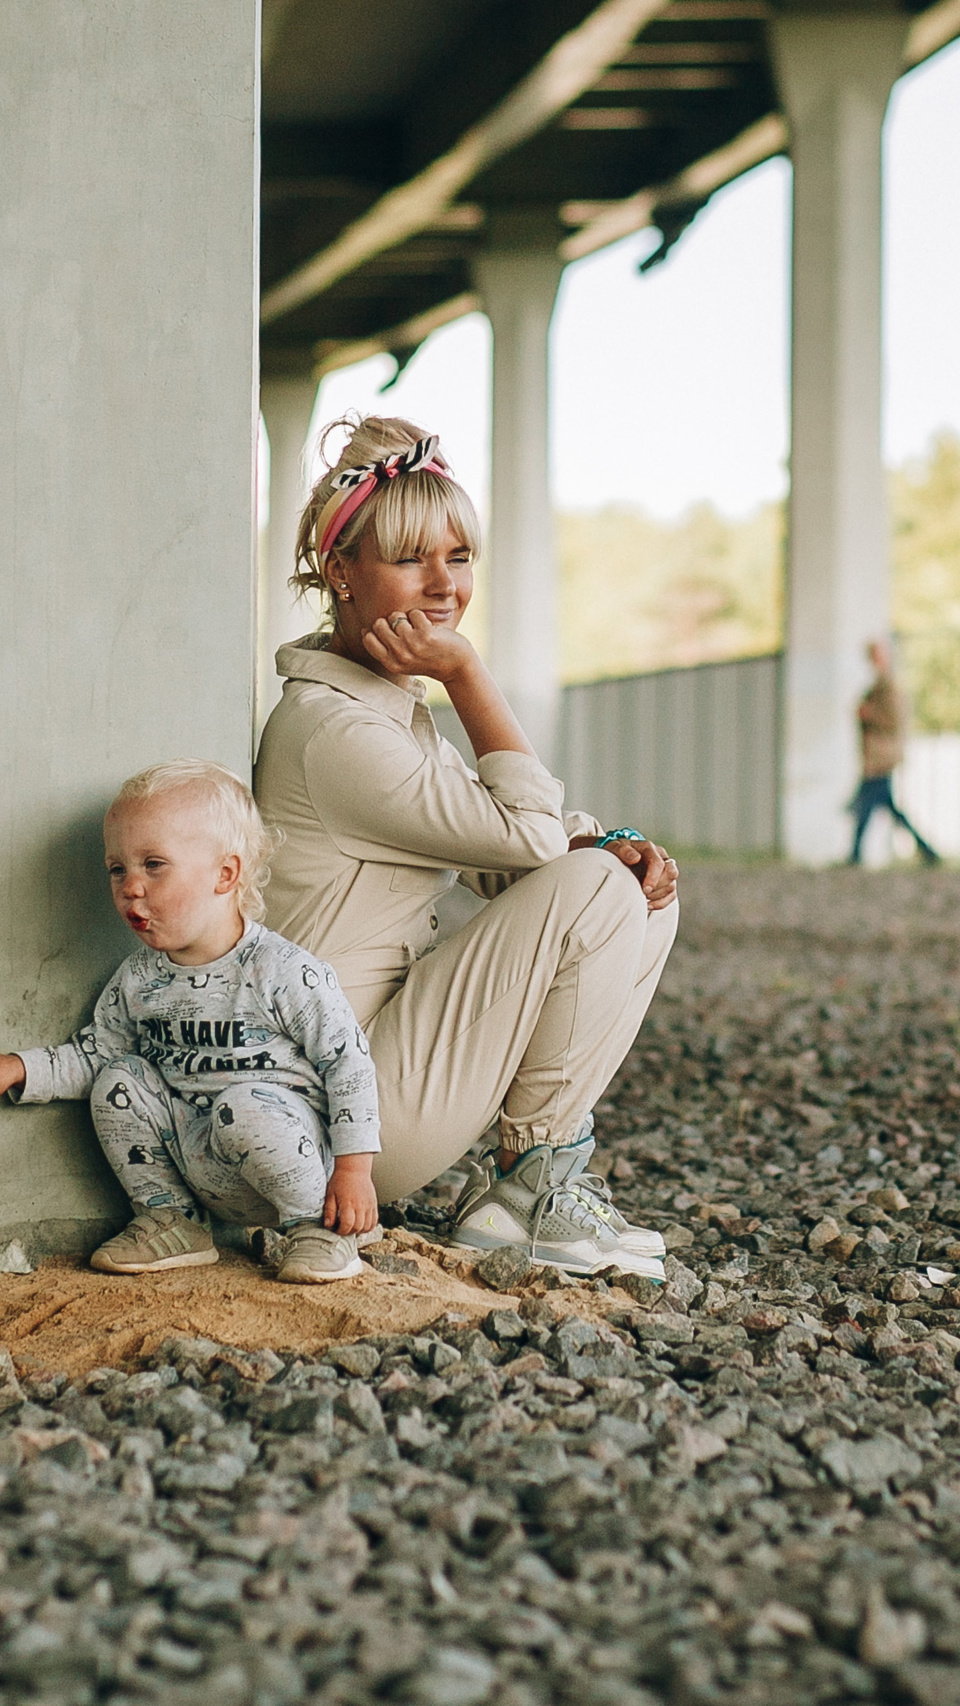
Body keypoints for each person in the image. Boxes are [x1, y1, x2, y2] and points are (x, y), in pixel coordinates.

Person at [255, 416, 680, 1280]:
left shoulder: (384, 714)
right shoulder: (333, 732)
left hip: (377, 1083)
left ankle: (539, 1187)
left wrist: (614, 844)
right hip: (337, 1113)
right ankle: (530, 1198)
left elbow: (506, 860)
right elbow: (525, 837)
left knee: (637, 889)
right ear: (341, 573)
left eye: (460, 557)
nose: (445, 586)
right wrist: (467, 674)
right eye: (413, 559)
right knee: (600, 888)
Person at [0, 761, 380, 1285]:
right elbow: (95, 1055)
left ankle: (319, 1232)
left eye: (154, 865)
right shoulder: (139, 977)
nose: (131, 886)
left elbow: (349, 1065)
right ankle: (173, 1219)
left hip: (288, 1157)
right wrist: (15, 1068)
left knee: (243, 1105)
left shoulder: (284, 973)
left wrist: (354, 1171)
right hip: (196, 1156)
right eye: (117, 869)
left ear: (226, 874)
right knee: (118, 1079)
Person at [849, 638, 940, 867]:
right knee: (879, 805)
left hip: (882, 756)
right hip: (878, 755)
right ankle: (927, 851)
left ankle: (855, 854)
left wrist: (868, 715)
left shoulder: (889, 687)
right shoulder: (879, 685)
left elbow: (893, 720)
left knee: (868, 804)